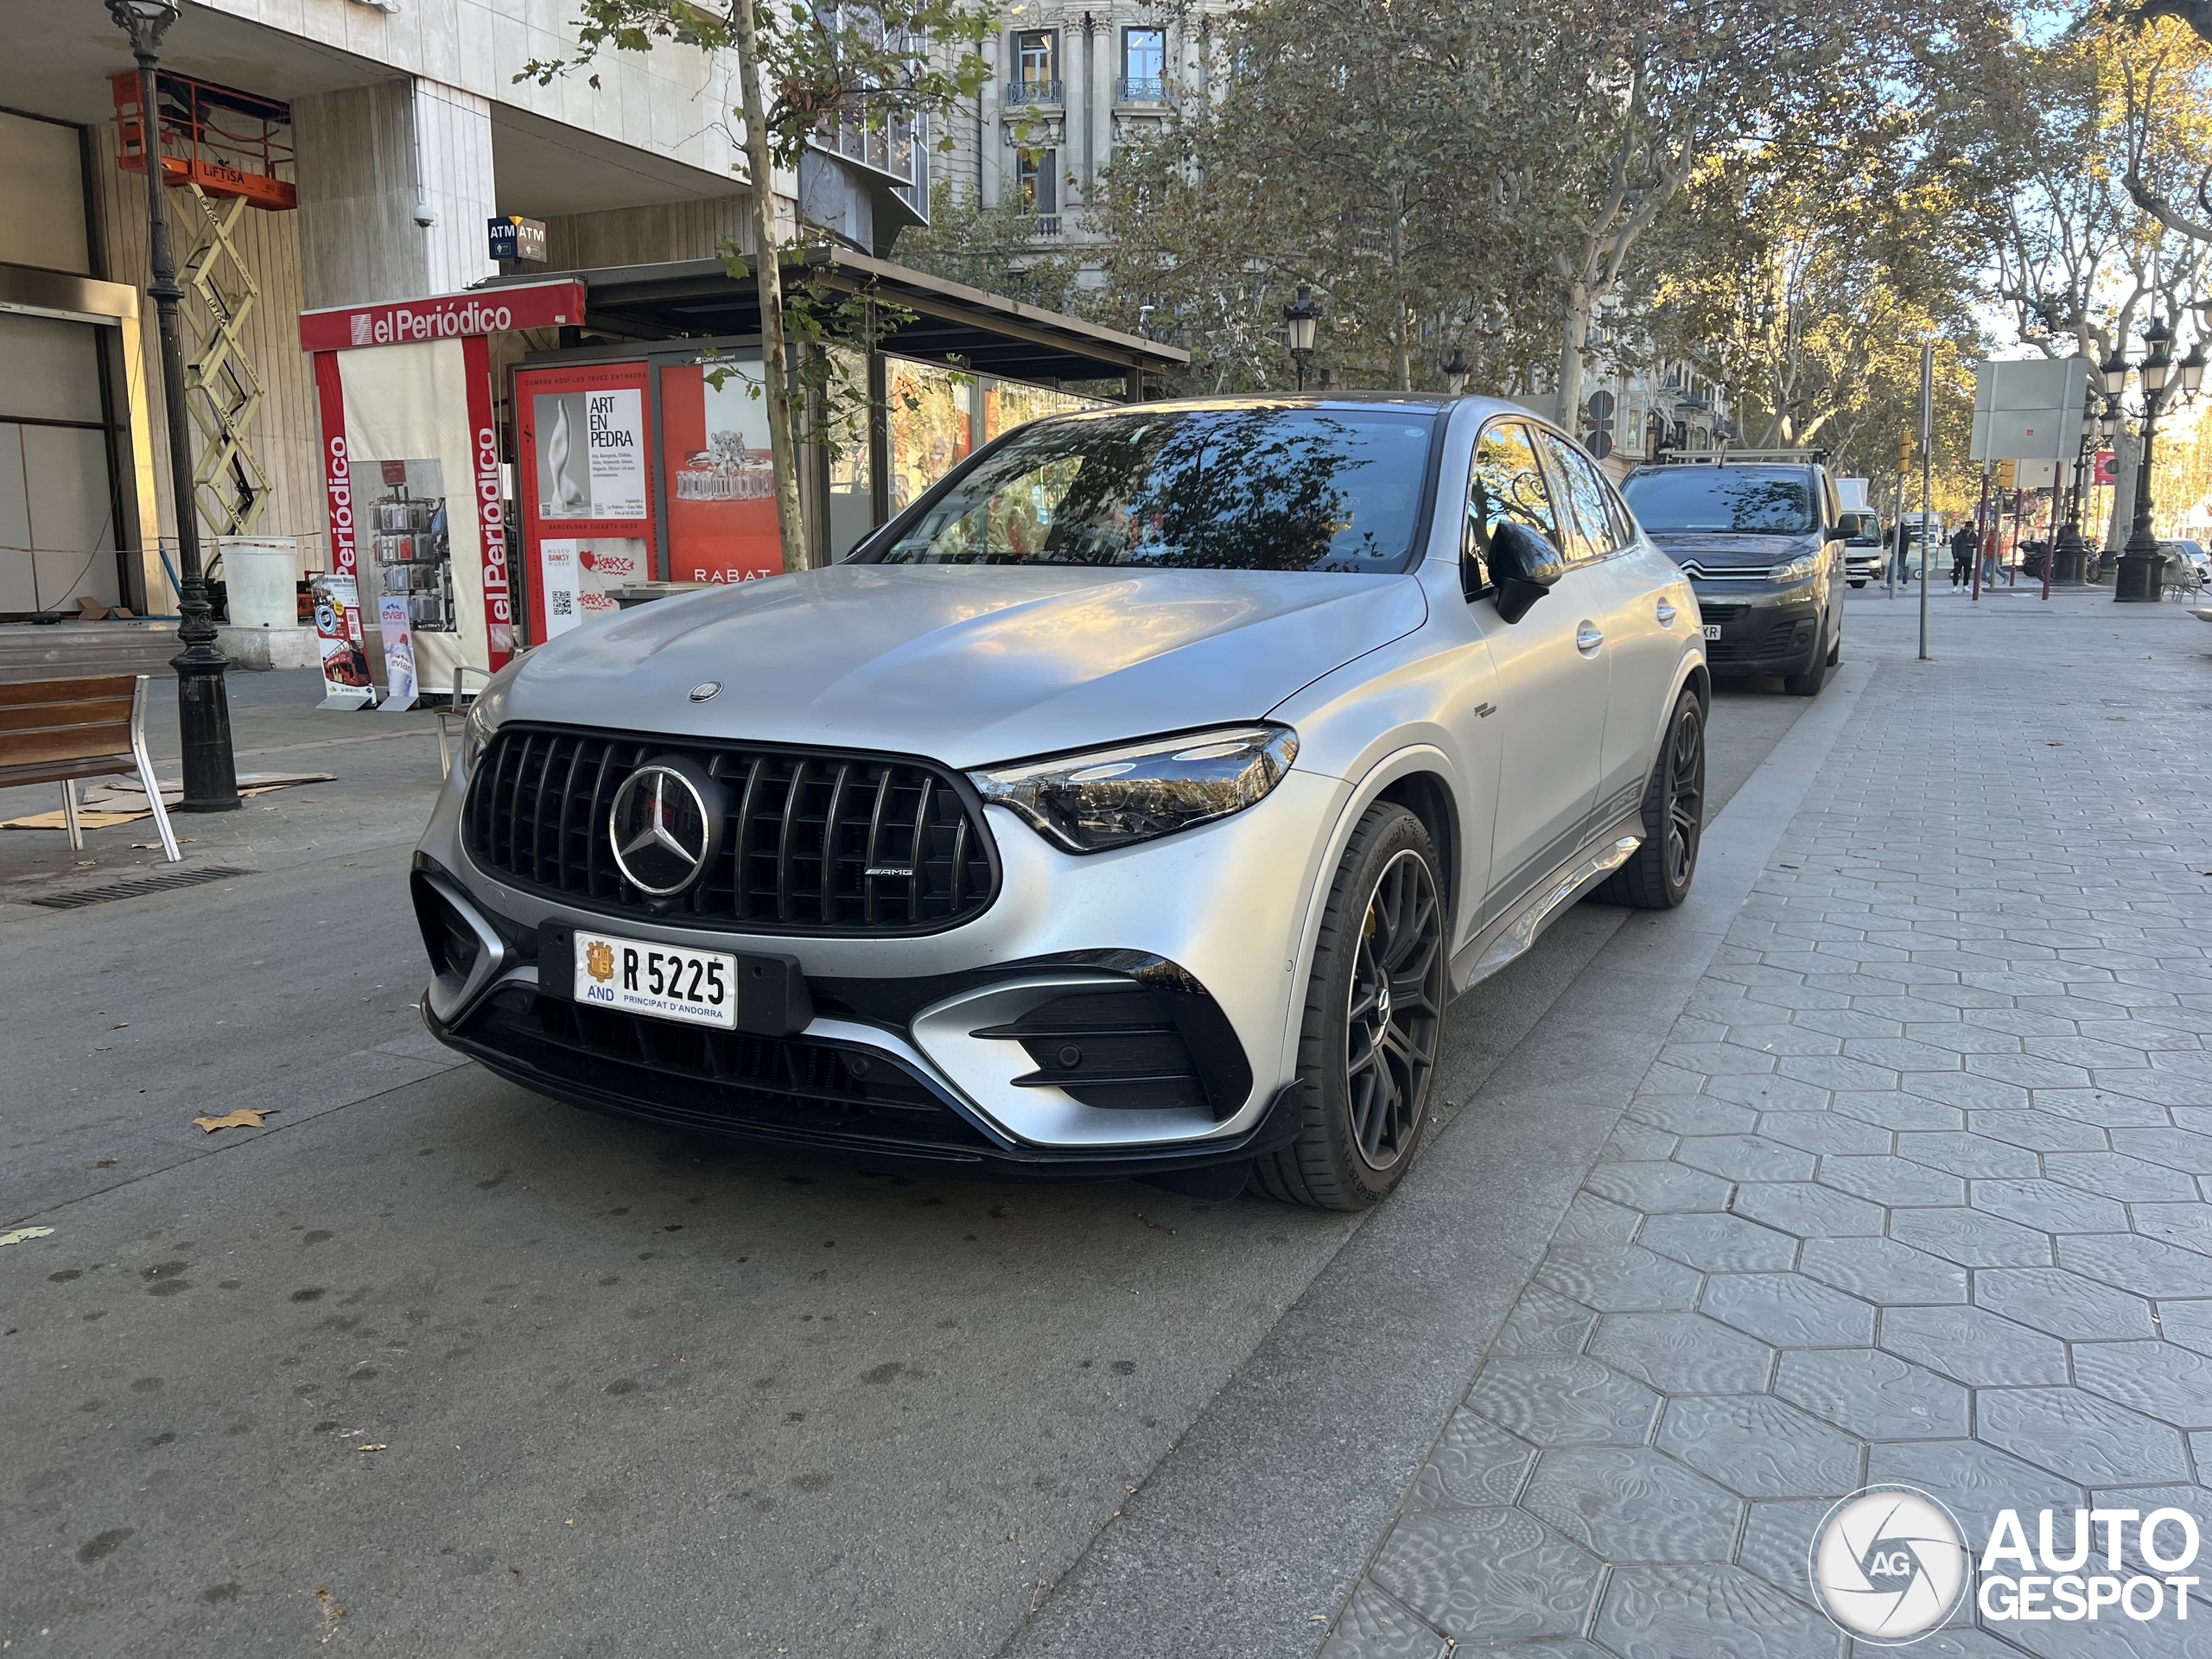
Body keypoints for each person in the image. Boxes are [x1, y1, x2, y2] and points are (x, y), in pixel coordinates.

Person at [1949, 523, 1975, 588]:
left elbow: (1978, 543)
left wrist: (1972, 545)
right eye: (1967, 527)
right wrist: (1955, 556)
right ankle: (1955, 585)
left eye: (1970, 528)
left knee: (1967, 571)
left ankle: (1965, 585)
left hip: (1968, 556)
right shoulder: (1959, 535)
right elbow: (1954, 546)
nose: (1968, 529)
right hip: (1959, 556)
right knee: (1957, 571)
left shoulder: (1973, 535)